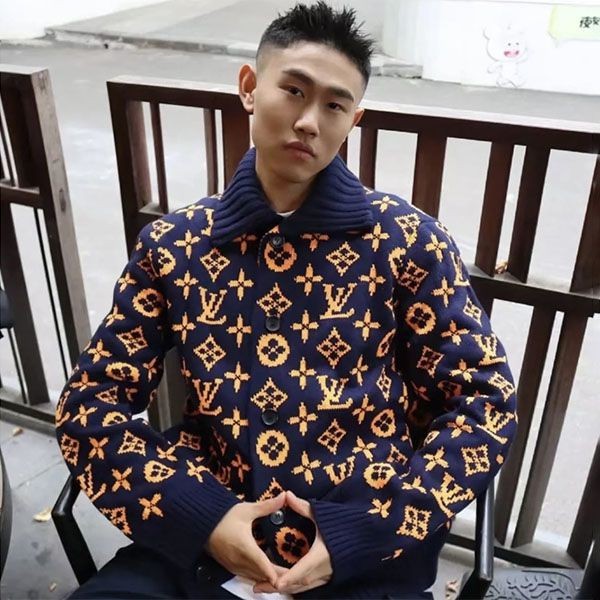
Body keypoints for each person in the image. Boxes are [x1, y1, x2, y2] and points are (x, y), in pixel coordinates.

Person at [55, 2, 517, 598]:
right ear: (249, 87)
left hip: (364, 554)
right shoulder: (174, 245)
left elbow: (486, 402)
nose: (308, 122)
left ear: (354, 119)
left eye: (335, 105)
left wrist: (368, 530)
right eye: (293, 90)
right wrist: (202, 517)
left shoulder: (407, 242)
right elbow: (89, 404)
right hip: (200, 541)